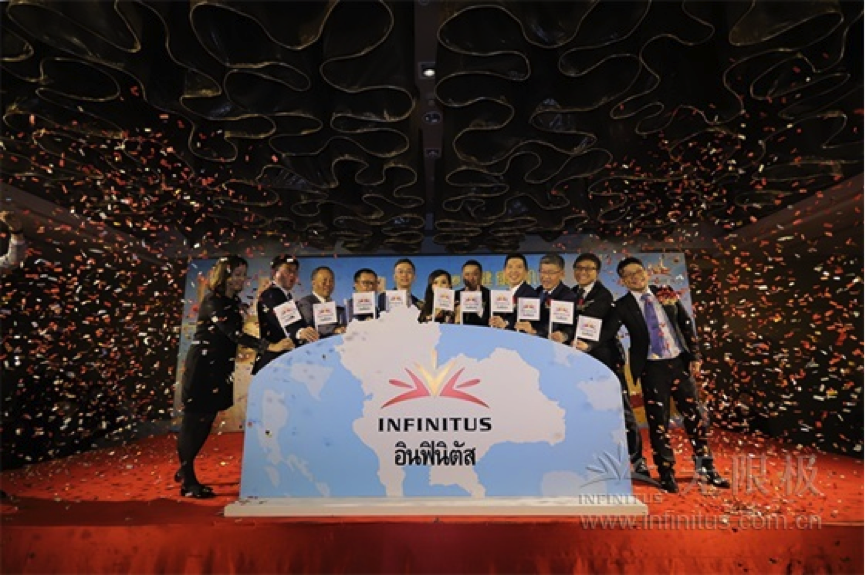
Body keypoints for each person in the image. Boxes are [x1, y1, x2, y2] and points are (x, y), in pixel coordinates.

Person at [178, 255, 294, 498]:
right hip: (203, 367)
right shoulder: (213, 300)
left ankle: (185, 466)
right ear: (224, 275)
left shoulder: (233, 302)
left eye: (243, 274)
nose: (242, 279)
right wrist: (269, 347)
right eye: (237, 274)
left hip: (221, 366)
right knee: (194, 422)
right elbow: (233, 334)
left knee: (206, 421)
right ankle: (188, 480)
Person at [611, 256, 730, 493]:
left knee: (695, 418)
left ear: (646, 272)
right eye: (629, 275)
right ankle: (666, 473)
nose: (636, 277)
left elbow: (685, 324)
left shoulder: (665, 292)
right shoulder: (622, 305)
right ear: (622, 281)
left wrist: (695, 355)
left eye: (638, 271)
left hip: (679, 364)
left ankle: (707, 468)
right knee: (658, 423)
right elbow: (606, 331)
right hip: (651, 368)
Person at [570, 253, 647, 476]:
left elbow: (597, 326)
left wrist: (583, 341)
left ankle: (637, 459)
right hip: (580, 362)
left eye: (589, 268)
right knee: (587, 411)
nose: (583, 272)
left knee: (621, 410)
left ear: (597, 272)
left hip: (606, 361)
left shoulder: (603, 295)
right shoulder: (572, 294)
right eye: (579, 268)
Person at [252, 255, 319, 375]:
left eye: (295, 271)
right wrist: (300, 331)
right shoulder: (271, 294)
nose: (292, 275)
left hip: (283, 360)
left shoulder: (286, 296)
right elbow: (284, 319)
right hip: (273, 362)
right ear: (275, 272)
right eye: (288, 270)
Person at [514, 253, 577, 344]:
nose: (546, 277)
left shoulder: (568, 297)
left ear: (562, 274)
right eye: (542, 272)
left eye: (551, 273)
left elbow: (559, 326)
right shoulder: (538, 291)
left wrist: (534, 330)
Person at [489, 253, 536, 330]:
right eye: (510, 267)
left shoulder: (530, 294)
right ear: (504, 271)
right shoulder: (505, 294)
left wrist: (505, 323)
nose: (514, 271)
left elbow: (525, 320)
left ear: (526, 271)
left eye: (519, 267)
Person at [297, 266, 347, 338]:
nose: (328, 284)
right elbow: (310, 327)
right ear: (313, 283)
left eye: (331, 281)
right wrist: (334, 330)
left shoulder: (336, 306)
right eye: (324, 281)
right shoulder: (306, 302)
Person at [455, 259, 490, 326]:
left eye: (475, 274)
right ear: (462, 276)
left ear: (481, 275)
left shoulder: (490, 295)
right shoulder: (455, 295)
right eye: (467, 274)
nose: (471, 278)